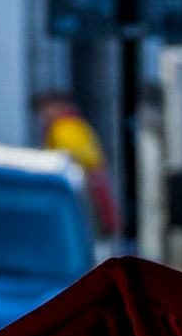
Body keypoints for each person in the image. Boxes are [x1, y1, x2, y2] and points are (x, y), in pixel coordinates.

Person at [32, 92, 119, 236]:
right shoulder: (76, 124)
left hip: (81, 191)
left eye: (46, 108)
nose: (43, 114)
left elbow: (77, 161)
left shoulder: (63, 127)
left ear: (57, 106)